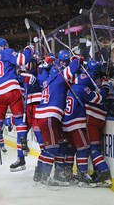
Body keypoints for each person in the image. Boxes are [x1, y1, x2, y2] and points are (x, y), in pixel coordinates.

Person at [0, 37, 34, 171]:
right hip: (11, 89)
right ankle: (23, 143)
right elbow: (23, 60)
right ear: (1, 46)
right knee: (19, 120)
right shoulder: (6, 52)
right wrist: (29, 49)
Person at [34, 53, 81, 186]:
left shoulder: (46, 81)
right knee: (53, 148)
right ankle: (45, 177)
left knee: (49, 147)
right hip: (50, 115)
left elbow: (41, 71)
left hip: (42, 116)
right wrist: (75, 58)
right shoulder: (59, 78)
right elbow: (73, 68)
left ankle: (41, 175)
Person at [62, 66, 110, 187]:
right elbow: (99, 99)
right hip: (80, 122)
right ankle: (91, 173)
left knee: (72, 148)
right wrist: (105, 87)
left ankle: (69, 173)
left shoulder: (72, 87)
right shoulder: (83, 88)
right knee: (87, 148)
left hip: (68, 122)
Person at [85, 60, 112, 187]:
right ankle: (97, 172)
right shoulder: (102, 80)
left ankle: (104, 171)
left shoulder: (87, 80)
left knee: (93, 148)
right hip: (101, 117)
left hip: (92, 118)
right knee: (96, 147)